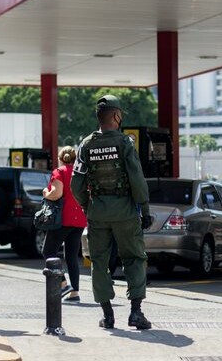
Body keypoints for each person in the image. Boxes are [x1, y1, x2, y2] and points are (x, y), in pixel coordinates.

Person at [71, 94, 153, 330]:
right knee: (134, 258)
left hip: (98, 212)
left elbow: (76, 185)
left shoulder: (85, 144)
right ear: (116, 116)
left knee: (99, 261)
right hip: (125, 211)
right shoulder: (125, 143)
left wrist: (89, 206)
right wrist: (144, 209)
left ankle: (108, 315)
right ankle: (136, 313)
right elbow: (137, 179)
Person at [41, 146, 87, 303]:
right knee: (72, 256)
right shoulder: (81, 173)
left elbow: (56, 193)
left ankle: (63, 283)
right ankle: (75, 292)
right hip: (80, 219)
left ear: (60, 158)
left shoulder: (59, 172)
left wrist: (45, 193)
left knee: (48, 251)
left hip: (63, 219)